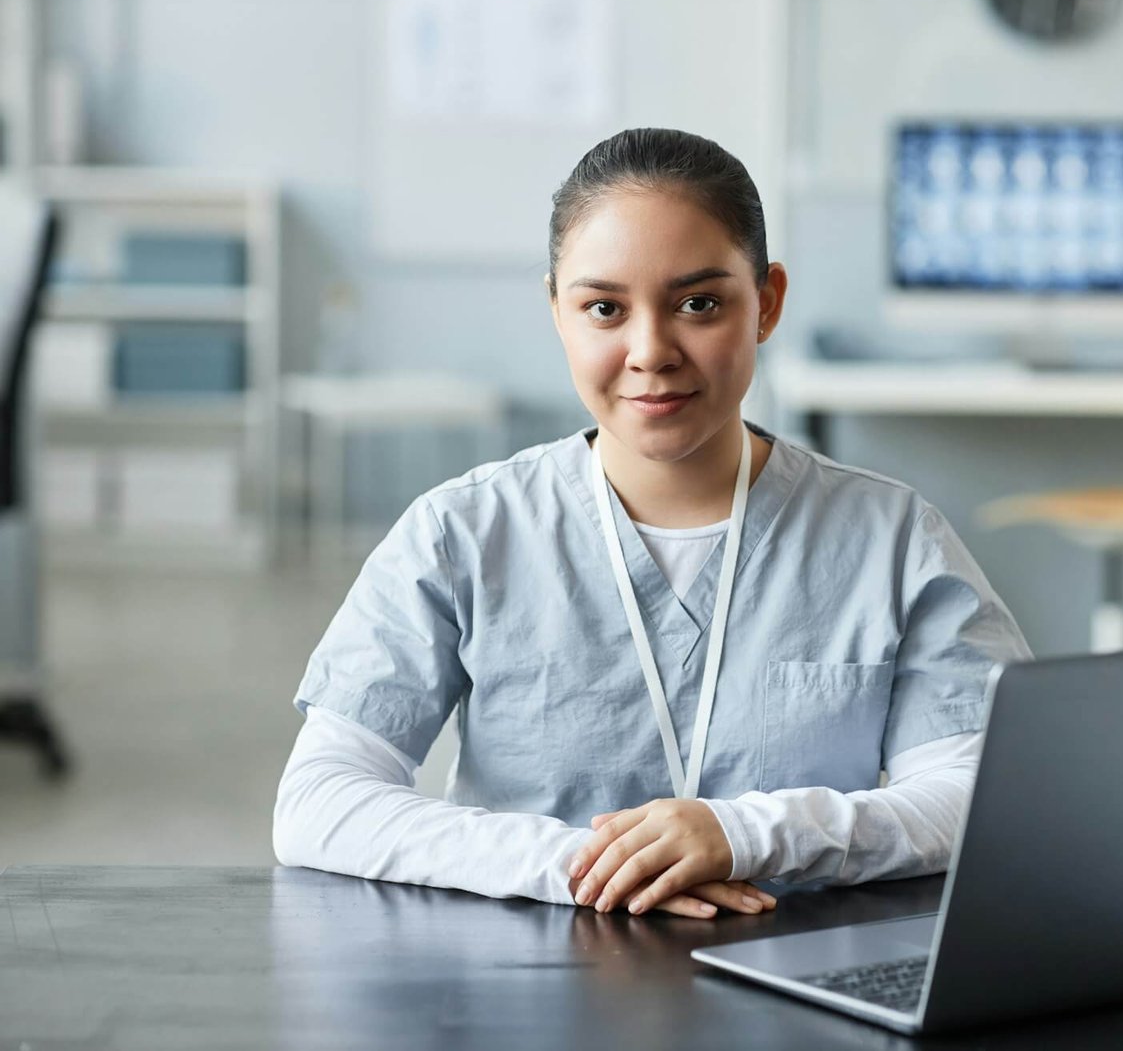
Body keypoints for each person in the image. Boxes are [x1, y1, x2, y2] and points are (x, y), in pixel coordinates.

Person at [273, 128, 1031, 920]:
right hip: (528, 973)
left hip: (799, 968)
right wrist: (586, 866)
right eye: (604, 309)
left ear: (767, 303)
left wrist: (752, 835)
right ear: (558, 311)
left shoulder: (893, 539)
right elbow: (321, 801)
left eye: (698, 304)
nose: (650, 352)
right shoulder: (461, 533)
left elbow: (977, 793)